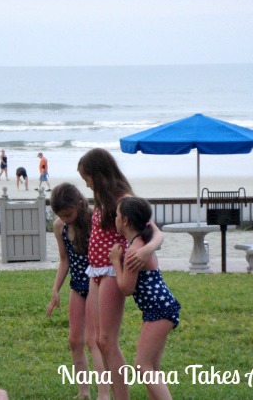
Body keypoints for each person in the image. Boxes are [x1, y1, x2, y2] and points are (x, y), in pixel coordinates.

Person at [77, 148, 164, 400]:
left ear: (98, 174)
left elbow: (156, 232)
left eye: (87, 178)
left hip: (112, 273)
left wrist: (146, 249)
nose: (86, 184)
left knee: (107, 340)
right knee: (98, 340)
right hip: (96, 271)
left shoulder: (123, 200)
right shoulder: (103, 199)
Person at [110, 197, 180, 400]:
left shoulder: (134, 251)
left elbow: (126, 289)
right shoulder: (142, 241)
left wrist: (115, 262)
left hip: (159, 310)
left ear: (125, 221)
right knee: (152, 367)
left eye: (116, 215)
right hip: (161, 309)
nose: (115, 218)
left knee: (142, 366)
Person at [47, 183, 109, 400]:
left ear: (80, 204)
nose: (65, 219)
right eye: (61, 215)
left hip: (97, 285)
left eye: (68, 214)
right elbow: (65, 260)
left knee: (93, 341)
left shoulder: (95, 222)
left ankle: (104, 394)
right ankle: (83, 392)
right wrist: (56, 289)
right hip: (77, 286)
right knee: (74, 340)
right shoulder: (60, 227)